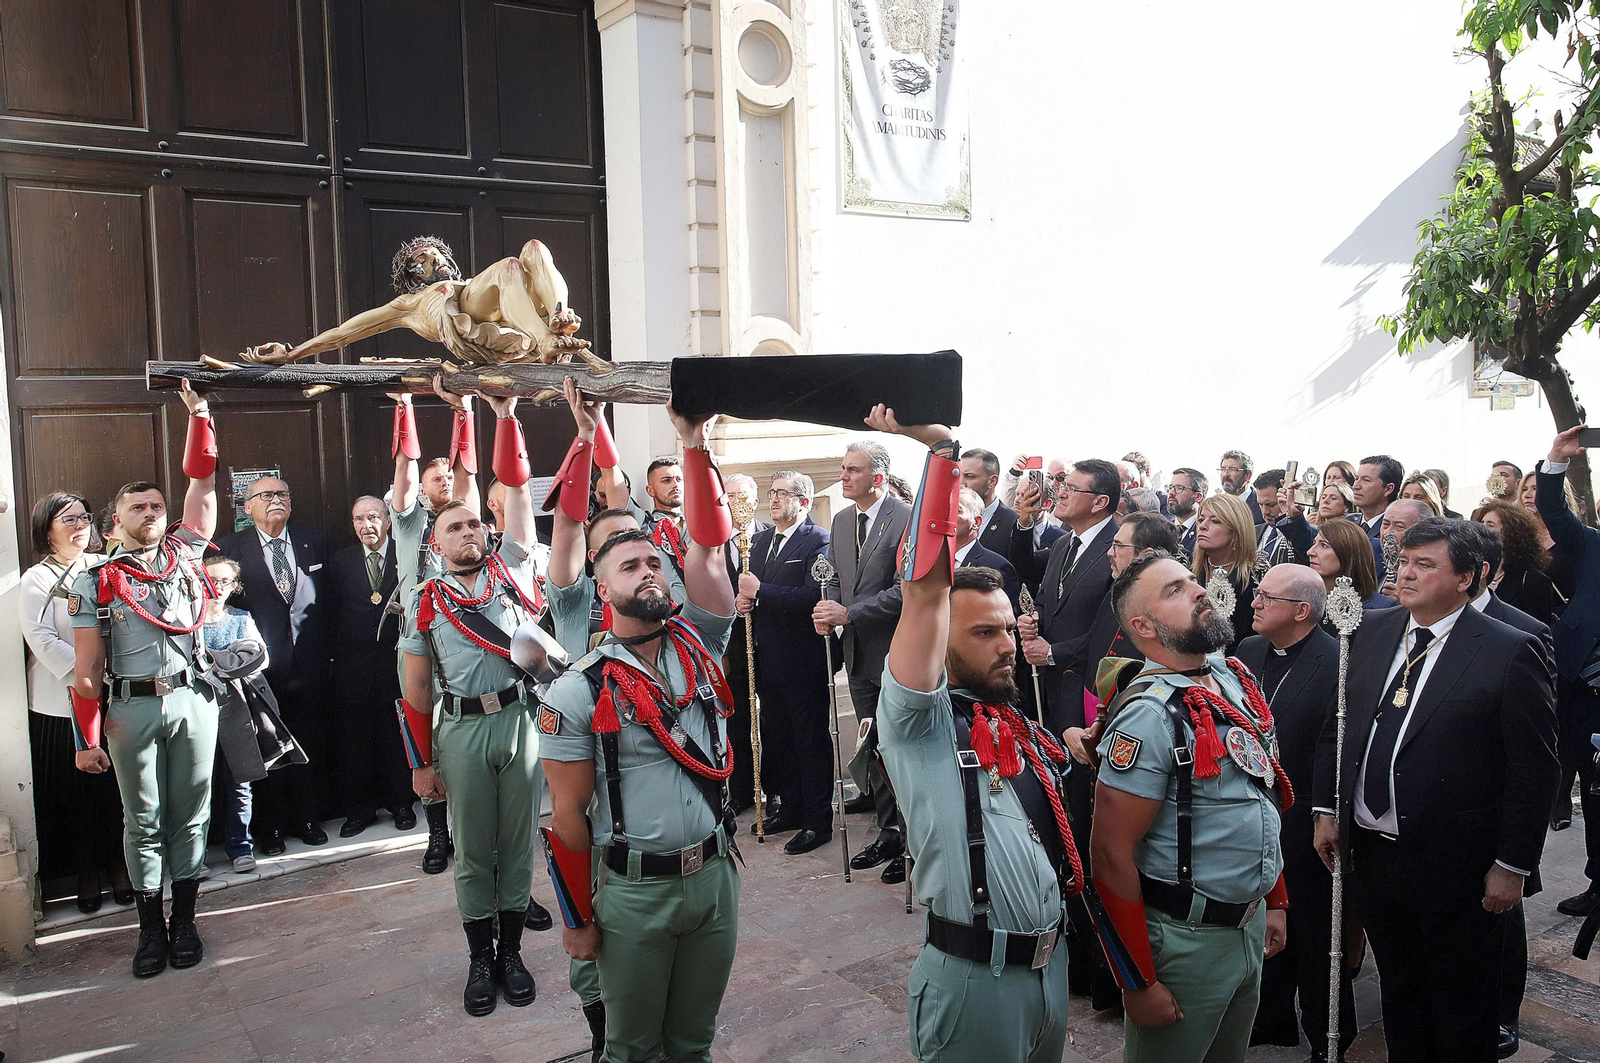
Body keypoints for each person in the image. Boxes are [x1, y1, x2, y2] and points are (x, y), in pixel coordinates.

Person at [869, 406, 1083, 1063]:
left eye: (1006, 630)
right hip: (974, 982)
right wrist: (939, 454)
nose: (1005, 647)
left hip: (1050, 973)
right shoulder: (918, 721)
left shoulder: (1014, 720)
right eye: (982, 634)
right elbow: (926, 596)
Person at [1312, 518, 1557, 1063]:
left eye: (1425, 565)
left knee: (1460, 1003)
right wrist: (1328, 808)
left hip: (1459, 862)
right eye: (1402, 562)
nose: (1406, 574)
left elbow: (1535, 770)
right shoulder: (1373, 631)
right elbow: (1342, 726)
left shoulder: (1509, 648)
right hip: (1375, 852)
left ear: (1468, 577)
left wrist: (1513, 864)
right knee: (1401, 990)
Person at [539, 403, 740, 1063]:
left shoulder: (699, 643)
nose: (648, 570)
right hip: (632, 890)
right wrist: (577, 920)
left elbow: (710, 550)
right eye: (628, 566)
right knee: (627, 1048)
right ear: (600, 583)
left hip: (712, 878)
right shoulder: (578, 684)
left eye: (654, 560)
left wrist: (693, 440)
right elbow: (567, 816)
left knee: (693, 1043)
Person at [1089, 551, 1289, 1060]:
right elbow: (1111, 854)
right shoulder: (1150, 716)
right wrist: (1136, 981)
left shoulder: (1230, 679)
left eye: (1191, 581)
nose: (1199, 591)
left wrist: (1274, 899)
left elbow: (1259, 793)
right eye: (1175, 591)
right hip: (1185, 941)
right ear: (1144, 625)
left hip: (1244, 929)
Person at [397, 391, 547, 1016]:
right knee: (470, 850)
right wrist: (420, 761)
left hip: (520, 722)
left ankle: (512, 952)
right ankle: (479, 959)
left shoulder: (514, 571)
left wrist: (505, 415)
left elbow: (515, 491)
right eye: (453, 527)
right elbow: (414, 690)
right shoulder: (426, 599)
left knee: (517, 846)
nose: (468, 532)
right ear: (436, 544)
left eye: (473, 525)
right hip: (459, 731)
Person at [67, 381, 220, 978]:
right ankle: (149, 928)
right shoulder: (96, 581)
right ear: (116, 520)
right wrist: (87, 738)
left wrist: (199, 415)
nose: (152, 515)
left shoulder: (187, 557)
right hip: (131, 710)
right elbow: (85, 674)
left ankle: (186, 920)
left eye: (157, 507)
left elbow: (203, 485)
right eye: (139, 508)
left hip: (193, 700)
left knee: (192, 815)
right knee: (144, 821)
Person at [1237, 566, 1354, 1063]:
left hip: (1305, 814)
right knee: (1261, 917)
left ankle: (1331, 1035)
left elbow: (1337, 744)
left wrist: (1324, 812)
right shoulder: (1248, 651)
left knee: (1313, 929)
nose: (1254, 603)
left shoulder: (1339, 662)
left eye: (1266, 597)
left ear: (1302, 611)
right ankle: (1270, 1018)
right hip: (1249, 807)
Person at [1467, 521, 1556, 1059]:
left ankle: (1502, 1013)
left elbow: (1534, 750)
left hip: (1495, 810)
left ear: (1485, 572)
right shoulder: (1405, 626)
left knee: (1502, 922)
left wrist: (1516, 856)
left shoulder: (1522, 631)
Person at [212, 474, 333, 855]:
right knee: (267, 751)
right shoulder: (230, 548)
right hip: (257, 674)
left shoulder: (317, 541)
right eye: (265, 495)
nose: (276, 500)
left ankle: (309, 819)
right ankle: (271, 829)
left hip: (311, 668)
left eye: (283, 493)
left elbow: (329, 605)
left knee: (309, 744)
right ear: (247, 508)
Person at [20, 492, 127, 912]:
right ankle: (85, 873)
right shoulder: (37, 579)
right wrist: (90, 677)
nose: (81, 525)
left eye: (85, 517)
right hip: (60, 702)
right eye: (69, 519)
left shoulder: (103, 567)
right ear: (47, 527)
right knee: (75, 795)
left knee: (114, 788)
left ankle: (120, 865)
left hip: (112, 696)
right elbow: (41, 639)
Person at [388, 388, 480, 875]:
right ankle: (437, 833)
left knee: (467, 745)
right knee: (424, 738)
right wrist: (404, 407)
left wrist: (463, 410)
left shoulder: (466, 525)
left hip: (468, 644)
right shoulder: (410, 524)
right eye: (436, 477)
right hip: (420, 646)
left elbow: (468, 471)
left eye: (449, 477)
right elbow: (403, 475)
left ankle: (474, 836)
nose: (446, 482)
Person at [812, 440, 911, 884]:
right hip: (854, 652)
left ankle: (913, 840)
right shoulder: (840, 519)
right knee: (870, 749)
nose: (844, 476)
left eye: (853, 469)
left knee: (898, 749)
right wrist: (827, 611)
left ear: (878, 477)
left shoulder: (904, 519)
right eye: (843, 468)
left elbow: (905, 589)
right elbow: (832, 576)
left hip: (894, 651)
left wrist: (850, 613)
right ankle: (888, 832)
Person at [737, 471, 834, 855]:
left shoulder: (818, 541)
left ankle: (817, 820)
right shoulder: (757, 542)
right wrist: (743, 602)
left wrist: (760, 592)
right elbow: (748, 594)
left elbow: (813, 595)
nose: (773, 499)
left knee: (809, 740)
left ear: (804, 502)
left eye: (782, 494)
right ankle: (791, 807)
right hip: (767, 659)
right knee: (779, 738)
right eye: (771, 493)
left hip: (803, 660)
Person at [1536, 428, 1600, 920]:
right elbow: (1555, 514)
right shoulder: (1592, 545)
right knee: (1590, 788)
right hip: (1581, 684)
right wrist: (1557, 460)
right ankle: (1598, 883)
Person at [1012, 459, 1122, 737]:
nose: (1060, 493)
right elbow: (1042, 591)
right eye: (1063, 485)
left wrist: (1051, 653)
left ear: (1099, 502)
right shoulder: (1063, 543)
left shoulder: (1120, 548)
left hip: (1089, 690)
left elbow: (1112, 630)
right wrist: (1034, 618)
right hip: (1048, 688)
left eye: (1072, 489)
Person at [327, 497, 416, 838]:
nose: (367, 525)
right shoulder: (341, 562)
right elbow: (332, 614)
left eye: (374, 517)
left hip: (398, 664)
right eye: (359, 519)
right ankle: (359, 810)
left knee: (398, 735)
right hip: (354, 668)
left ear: (388, 520)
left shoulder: (405, 556)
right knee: (355, 740)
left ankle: (402, 803)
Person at [201, 556, 264, 873]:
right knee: (198, 786)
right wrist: (230, 657)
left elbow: (257, 657)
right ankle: (194, 857)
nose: (217, 586)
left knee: (240, 783)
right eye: (211, 578)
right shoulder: (188, 620)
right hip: (198, 711)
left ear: (234, 586)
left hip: (237, 710)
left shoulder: (241, 618)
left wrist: (213, 661)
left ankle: (241, 846)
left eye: (225, 581)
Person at [1190, 493, 1260, 652]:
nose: (1203, 526)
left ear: (1236, 530)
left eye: (1215, 521)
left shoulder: (1256, 577)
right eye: (1201, 519)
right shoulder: (1188, 574)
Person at [1473, 500, 1557, 628]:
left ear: (1510, 533)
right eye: (1481, 523)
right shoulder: (1471, 574)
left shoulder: (1533, 580)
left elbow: (1539, 632)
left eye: (1490, 525)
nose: (1482, 529)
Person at [1305, 517, 1396, 630]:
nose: (1310, 552)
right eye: (1314, 543)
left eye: (1324, 545)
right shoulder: (1308, 603)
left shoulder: (1381, 609)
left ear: (1348, 554)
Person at [954, 487, 1020, 610]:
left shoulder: (996, 566)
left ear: (977, 522)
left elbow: (1006, 618)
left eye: (957, 510)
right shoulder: (934, 561)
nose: (947, 514)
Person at [1517, 470, 1579, 600]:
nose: (1527, 495)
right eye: (1524, 489)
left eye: (1535, 489)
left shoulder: (1573, 535)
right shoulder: (1518, 537)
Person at [1352, 455, 1404, 581]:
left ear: (1388, 489)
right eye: (1356, 479)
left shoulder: (1394, 532)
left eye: (1366, 480)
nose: (1355, 486)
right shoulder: (1347, 521)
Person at [960, 448, 1020, 553]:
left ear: (992, 481)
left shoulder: (1013, 523)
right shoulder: (951, 518)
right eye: (959, 476)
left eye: (969, 476)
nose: (962, 483)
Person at [1375, 499, 1432, 599]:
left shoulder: (1428, 575)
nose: (1388, 533)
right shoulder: (1372, 564)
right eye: (1386, 524)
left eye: (1399, 526)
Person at [1252, 470, 1296, 567]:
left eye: (1271, 504)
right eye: (1260, 504)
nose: (1265, 511)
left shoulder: (1301, 537)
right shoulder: (1252, 533)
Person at [1167, 468, 1206, 558]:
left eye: (1179, 488)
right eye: (1170, 488)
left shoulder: (1205, 529)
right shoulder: (1163, 528)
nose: (1171, 493)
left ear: (1198, 496)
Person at [1218, 449, 1264, 525]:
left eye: (1232, 469)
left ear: (1248, 475)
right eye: (1223, 469)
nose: (1226, 474)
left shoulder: (1260, 506)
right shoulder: (1216, 505)